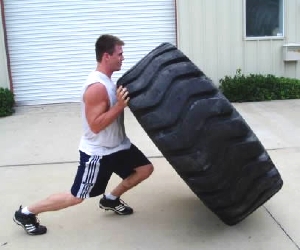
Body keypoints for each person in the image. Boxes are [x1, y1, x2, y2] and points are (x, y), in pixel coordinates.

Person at [13, 34, 154, 236]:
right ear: (107, 56)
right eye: (119, 54)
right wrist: (120, 107)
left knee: (145, 169)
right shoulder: (96, 87)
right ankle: (26, 213)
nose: (123, 58)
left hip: (119, 145)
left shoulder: (109, 82)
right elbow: (95, 126)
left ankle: (110, 199)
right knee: (76, 196)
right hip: (99, 153)